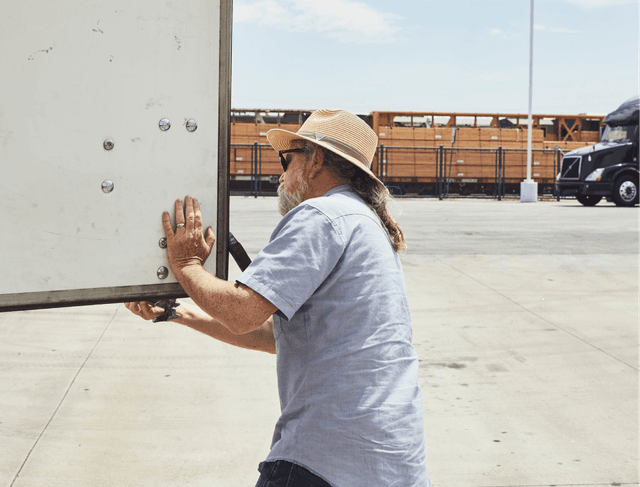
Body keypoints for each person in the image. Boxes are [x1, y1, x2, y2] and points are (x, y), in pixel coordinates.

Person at [126, 109, 431, 486]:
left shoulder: (322, 215)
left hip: (323, 462)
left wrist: (187, 264)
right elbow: (278, 336)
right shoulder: (364, 222)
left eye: (287, 160)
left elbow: (242, 313)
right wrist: (179, 313)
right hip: (389, 465)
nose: (280, 173)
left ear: (316, 160)